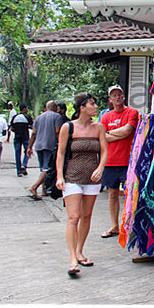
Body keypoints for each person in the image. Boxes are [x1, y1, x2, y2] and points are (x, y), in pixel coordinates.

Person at [55, 92, 107, 277]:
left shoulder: (98, 127)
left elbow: (103, 151)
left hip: (92, 178)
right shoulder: (68, 127)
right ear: (81, 108)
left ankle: (80, 250)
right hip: (72, 176)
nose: (95, 107)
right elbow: (61, 153)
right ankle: (72, 259)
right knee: (73, 217)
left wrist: (100, 168)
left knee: (86, 216)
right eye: (91, 104)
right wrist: (60, 176)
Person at [100, 85, 139, 239]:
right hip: (110, 161)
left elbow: (128, 131)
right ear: (110, 99)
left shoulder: (132, 112)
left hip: (128, 161)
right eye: (114, 95)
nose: (117, 97)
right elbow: (102, 136)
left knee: (131, 194)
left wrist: (109, 133)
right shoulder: (105, 117)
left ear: (124, 97)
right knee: (112, 194)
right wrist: (115, 134)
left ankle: (131, 225)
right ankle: (115, 226)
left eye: (119, 94)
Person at [27, 101, 63, 200]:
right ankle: (34, 187)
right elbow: (57, 131)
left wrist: (29, 147)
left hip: (39, 145)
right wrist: (61, 143)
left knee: (43, 168)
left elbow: (34, 133)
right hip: (50, 145)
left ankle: (44, 190)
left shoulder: (39, 117)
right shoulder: (57, 116)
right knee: (48, 168)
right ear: (55, 107)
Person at [10, 103, 33, 177]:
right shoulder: (27, 117)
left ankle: (19, 171)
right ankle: (24, 164)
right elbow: (33, 127)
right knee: (27, 151)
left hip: (17, 137)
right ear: (24, 109)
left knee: (17, 153)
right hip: (25, 137)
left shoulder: (15, 117)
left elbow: (12, 128)